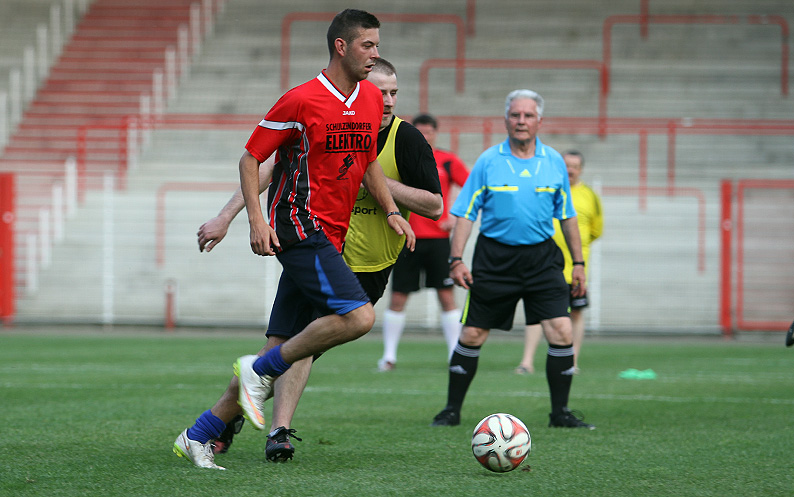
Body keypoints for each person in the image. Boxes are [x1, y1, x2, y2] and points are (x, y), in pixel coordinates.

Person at [172, 9, 419, 470]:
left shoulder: (369, 98)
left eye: (377, 45)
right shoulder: (301, 100)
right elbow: (251, 159)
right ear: (341, 46)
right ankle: (259, 373)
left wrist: (390, 211)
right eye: (367, 45)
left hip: (332, 234)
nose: (375, 53)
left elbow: (367, 162)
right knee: (359, 317)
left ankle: (199, 435)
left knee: (280, 344)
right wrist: (253, 220)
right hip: (299, 225)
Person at [431, 89, 596, 430]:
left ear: (539, 121)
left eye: (528, 115)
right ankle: (450, 410)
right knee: (473, 333)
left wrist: (578, 264)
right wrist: (456, 259)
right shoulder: (488, 161)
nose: (521, 121)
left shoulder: (554, 162)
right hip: (495, 259)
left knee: (561, 329)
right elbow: (465, 214)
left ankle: (560, 413)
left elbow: (567, 216)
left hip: (542, 259)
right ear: (506, 119)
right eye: (515, 115)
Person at [379, 113, 470, 371]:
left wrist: (454, 217)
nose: (425, 136)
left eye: (428, 132)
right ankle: (388, 357)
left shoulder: (448, 160)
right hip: (405, 237)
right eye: (420, 132)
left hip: (439, 240)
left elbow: (471, 188)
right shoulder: (400, 156)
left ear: (435, 133)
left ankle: (455, 356)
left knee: (446, 296)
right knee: (398, 297)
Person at [515, 150, 603, 374]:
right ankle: (527, 361)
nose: (570, 170)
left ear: (581, 169)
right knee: (537, 312)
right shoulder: (545, 188)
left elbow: (596, 230)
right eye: (566, 165)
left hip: (574, 268)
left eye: (575, 166)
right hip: (543, 264)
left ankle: (571, 361)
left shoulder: (589, 195)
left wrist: (578, 252)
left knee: (576, 313)